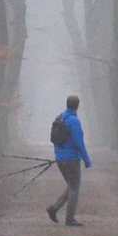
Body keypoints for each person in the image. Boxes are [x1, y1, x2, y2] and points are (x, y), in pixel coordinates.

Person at [46, 95, 91, 226]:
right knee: (74, 188)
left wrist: (59, 155)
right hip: (72, 159)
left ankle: (54, 208)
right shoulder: (74, 121)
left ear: (67, 104)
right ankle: (70, 218)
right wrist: (86, 160)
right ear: (77, 106)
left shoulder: (59, 118)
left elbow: (55, 139)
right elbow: (78, 142)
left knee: (72, 186)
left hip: (60, 159)